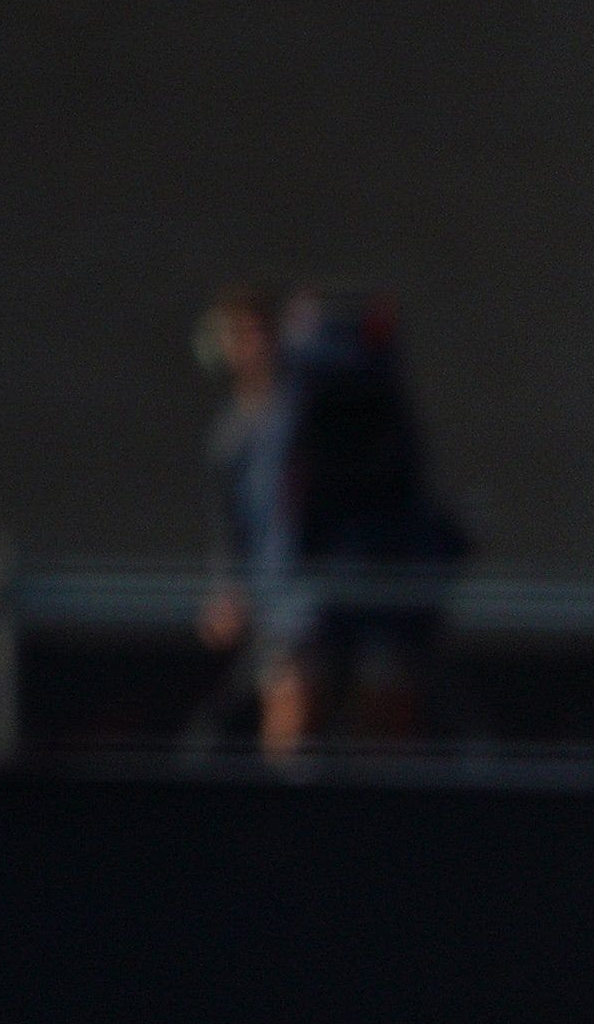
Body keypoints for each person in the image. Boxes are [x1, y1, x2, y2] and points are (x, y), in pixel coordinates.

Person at [191, 286, 472, 755]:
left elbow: (395, 479)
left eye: (263, 332)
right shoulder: (238, 435)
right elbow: (236, 523)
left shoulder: (329, 397)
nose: (255, 346)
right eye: (239, 336)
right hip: (289, 595)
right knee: (294, 699)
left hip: (369, 579)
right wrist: (229, 588)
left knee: (384, 700)